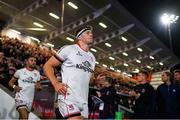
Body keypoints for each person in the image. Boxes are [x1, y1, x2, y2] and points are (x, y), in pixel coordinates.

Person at [43, 25, 96, 119]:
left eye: (91, 32)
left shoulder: (92, 57)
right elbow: (47, 66)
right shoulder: (69, 49)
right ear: (80, 36)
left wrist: (95, 80)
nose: (91, 34)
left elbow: (89, 81)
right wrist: (56, 83)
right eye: (88, 32)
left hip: (83, 100)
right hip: (68, 97)